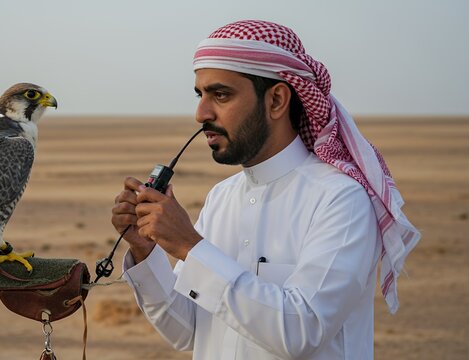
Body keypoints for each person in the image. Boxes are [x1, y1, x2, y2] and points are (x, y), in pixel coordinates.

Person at [111, 20, 420, 359]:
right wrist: (145, 251)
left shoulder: (341, 200)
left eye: (221, 94)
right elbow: (191, 332)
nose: (201, 113)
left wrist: (189, 246)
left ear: (276, 100)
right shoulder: (222, 197)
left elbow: (301, 331)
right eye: (200, 95)